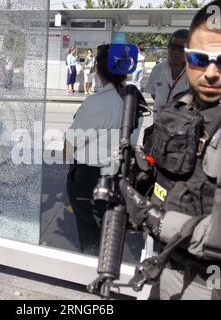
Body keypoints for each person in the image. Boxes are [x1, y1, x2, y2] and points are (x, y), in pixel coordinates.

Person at [124, 0, 221, 300]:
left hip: (217, 287)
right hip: (167, 270)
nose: (210, 72)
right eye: (199, 58)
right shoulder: (184, 105)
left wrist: (160, 222)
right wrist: (143, 184)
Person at [64, 44, 127, 255]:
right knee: (110, 228)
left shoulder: (98, 102)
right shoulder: (131, 98)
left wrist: (69, 166)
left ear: (99, 68)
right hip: (117, 173)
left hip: (90, 175)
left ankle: (91, 272)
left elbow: (72, 142)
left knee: (90, 229)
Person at [145, 29, 190, 119]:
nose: (175, 52)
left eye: (181, 49)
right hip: (159, 124)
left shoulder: (196, 72)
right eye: (172, 47)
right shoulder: (157, 69)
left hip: (184, 125)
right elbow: (154, 94)